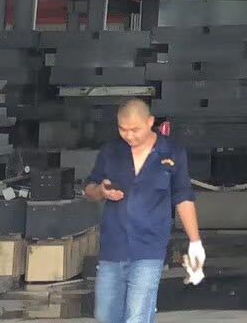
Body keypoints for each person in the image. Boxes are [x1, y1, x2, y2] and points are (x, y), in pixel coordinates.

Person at [85, 99, 203, 323]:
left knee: (137, 316)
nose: (129, 136)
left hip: (149, 249)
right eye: (123, 129)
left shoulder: (172, 152)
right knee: (105, 316)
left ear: (150, 122)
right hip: (113, 248)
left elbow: (183, 197)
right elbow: (89, 189)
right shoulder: (111, 152)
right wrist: (101, 191)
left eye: (135, 130)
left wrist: (195, 242)